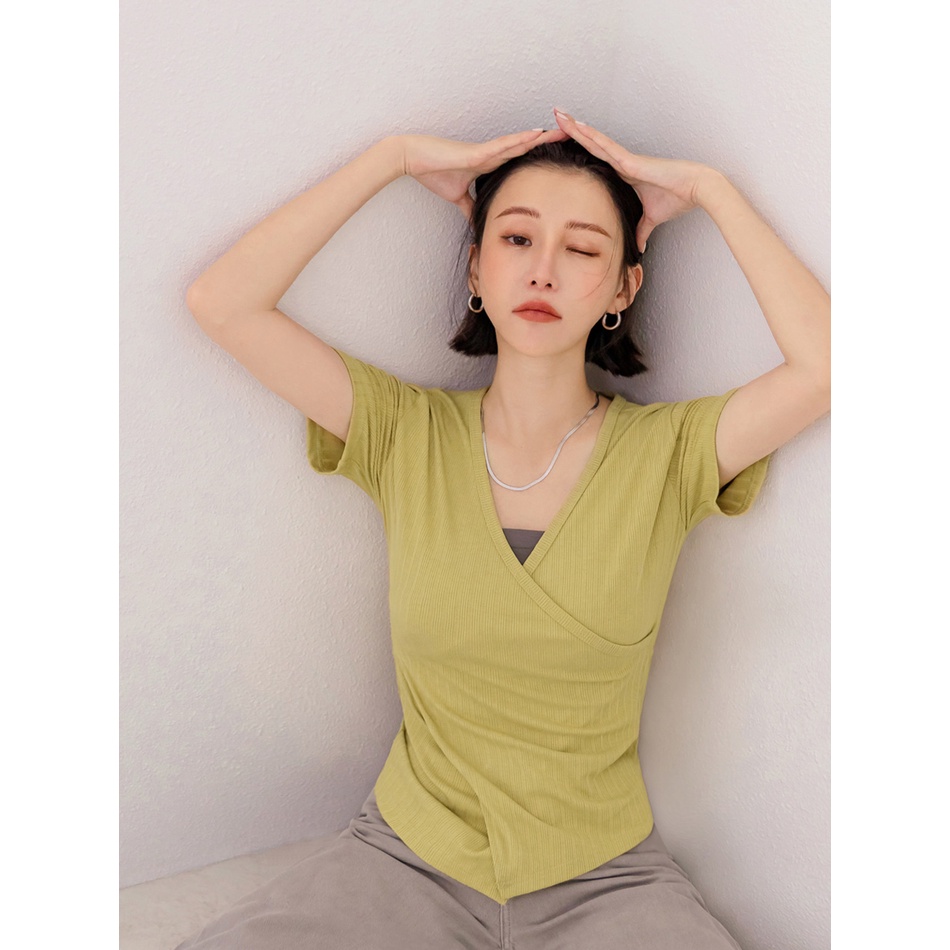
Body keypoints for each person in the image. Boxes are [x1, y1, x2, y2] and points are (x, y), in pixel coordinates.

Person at [179, 107, 830, 949]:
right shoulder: (404, 433)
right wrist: (393, 156)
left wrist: (712, 189)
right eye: (517, 240)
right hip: (406, 858)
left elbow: (830, 366)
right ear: (477, 271)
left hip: (605, 876)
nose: (544, 271)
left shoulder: (668, 454)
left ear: (624, 289)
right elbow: (223, 303)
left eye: (584, 249)